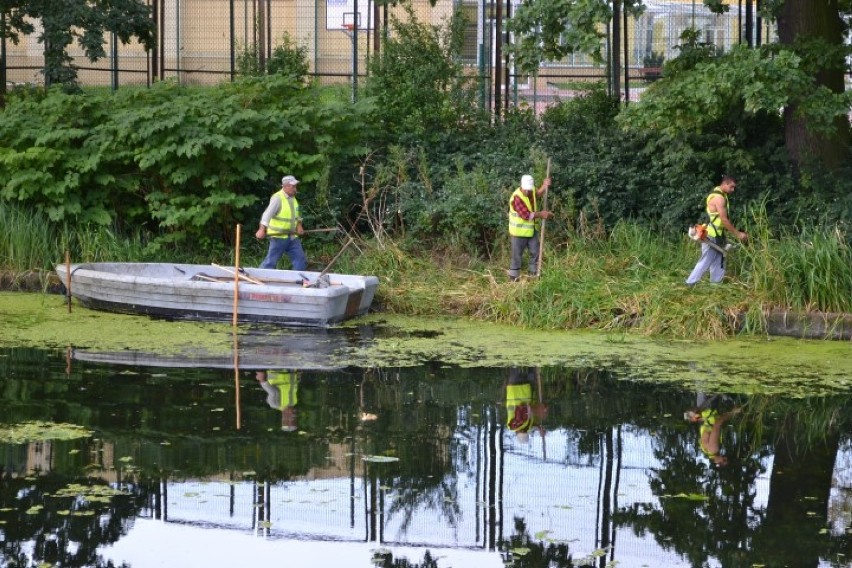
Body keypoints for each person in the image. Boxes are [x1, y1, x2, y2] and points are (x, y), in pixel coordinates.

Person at [685, 175, 748, 286]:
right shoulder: (719, 198)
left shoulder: (721, 195)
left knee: (720, 258)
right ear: (725, 184)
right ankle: (690, 283)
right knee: (706, 259)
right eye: (731, 187)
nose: (733, 190)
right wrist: (738, 234)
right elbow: (723, 219)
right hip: (712, 235)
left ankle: (716, 284)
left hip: (718, 234)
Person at [256, 175, 307, 271]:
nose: (295, 189)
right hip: (278, 237)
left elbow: (296, 214)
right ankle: (258, 277)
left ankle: (298, 281)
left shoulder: (293, 199)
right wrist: (262, 229)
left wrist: (299, 225)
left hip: (292, 236)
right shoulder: (277, 198)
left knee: (300, 259)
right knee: (270, 262)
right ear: (285, 186)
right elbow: (267, 214)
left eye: (295, 186)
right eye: (293, 186)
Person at [507, 174, 553, 281]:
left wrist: (544, 186)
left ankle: (533, 274)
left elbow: (537, 194)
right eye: (525, 190)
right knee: (517, 255)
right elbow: (526, 215)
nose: (527, 192)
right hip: (518, 232)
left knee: (535, 251)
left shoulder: (530, 190)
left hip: (531, 230)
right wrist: (541, 214)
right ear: (521, 186)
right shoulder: (517, 197)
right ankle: (513, 278)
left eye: (529, 189)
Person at [685, 394, 740, 467]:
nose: (725, 457)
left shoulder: (714, 449)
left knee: (714, 387)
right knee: (701, 384)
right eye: (726, 459)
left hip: (709, 407)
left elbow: (717, 424)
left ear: (717, 463)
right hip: (702, 412)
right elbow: (705, 428)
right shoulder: (706, 452)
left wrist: (733, 413)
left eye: (724, 460)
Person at [504, 367, 548, 444]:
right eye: (525, 431)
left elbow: (522, 409)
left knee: (515, 363)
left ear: (519, 432)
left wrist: (537, 410)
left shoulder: (514, 425)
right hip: (526, 388)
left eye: (524, 431)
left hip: (515, 387)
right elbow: (529, 424)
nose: (525, 430)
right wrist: (538, 428)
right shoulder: (525, 427)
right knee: (531, 365)